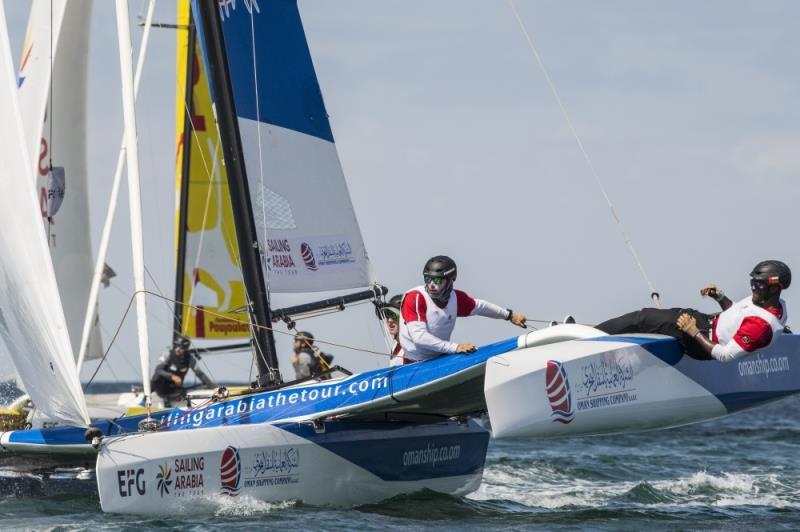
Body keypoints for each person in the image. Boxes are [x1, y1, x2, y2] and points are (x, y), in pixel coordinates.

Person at [596, 260, 790, 361]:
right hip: (705, 323)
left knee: (643, 317)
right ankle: (604, 336)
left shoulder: (760, 325)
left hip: (701, 341)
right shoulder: (774, 305)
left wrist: (693, 332)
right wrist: (720, 297)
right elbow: (737, 315)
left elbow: (725, 355)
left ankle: (590, 336)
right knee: (658, 320)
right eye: (752, 283)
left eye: (758, 285)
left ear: (774, 287)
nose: (753, 288)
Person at [399, 255, 527, 362]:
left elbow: (480, 307)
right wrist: (455, 347)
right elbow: (419, 337)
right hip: (413, 363)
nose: (431, 285)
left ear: (451, 280)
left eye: (437, 280)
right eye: (428, 279)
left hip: (440, 358)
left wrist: (510, 316)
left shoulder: (456, 299)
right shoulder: (415, 297)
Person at [151, 338, 216, 406]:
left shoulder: (190, 359)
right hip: (161, 387)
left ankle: (171, 404)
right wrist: (172, 377)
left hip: (175, 388)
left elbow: (200, 374)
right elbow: (158, 370)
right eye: (177, 346)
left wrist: (214, 388)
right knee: (156, 376)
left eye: (181, 347)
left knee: (183, 394)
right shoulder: (168, 354)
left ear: (186, 349)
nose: (178, 349)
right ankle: (145, 399)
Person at [377, 295, 404, 366]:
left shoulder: (412, 345)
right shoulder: (395, 347)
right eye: (387, 315)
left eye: (394, 315)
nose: (390, 320)